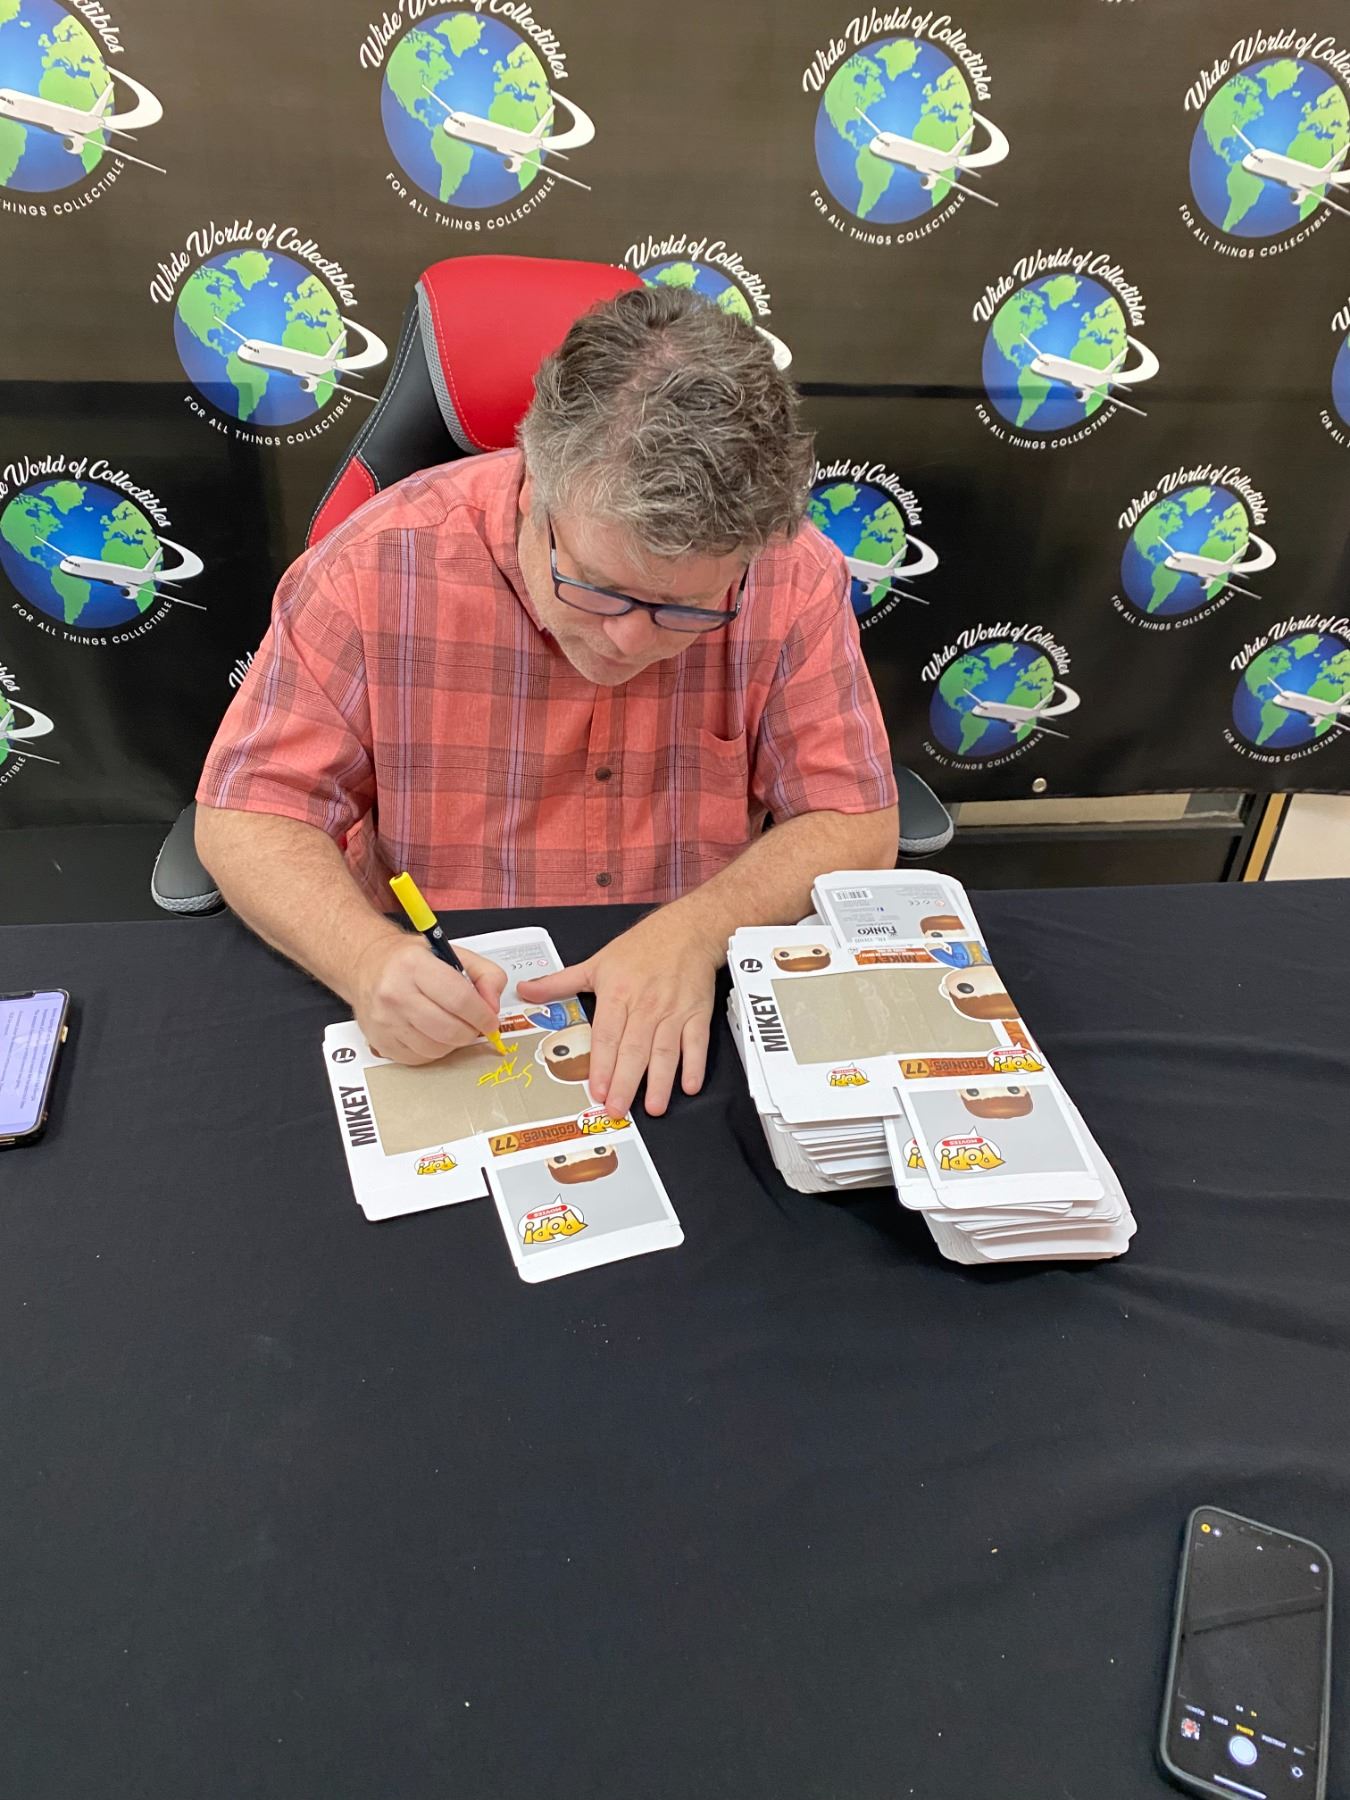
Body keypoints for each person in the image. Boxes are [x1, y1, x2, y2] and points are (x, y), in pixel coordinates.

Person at [195, 285, 898, 1118]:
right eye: (597, 587)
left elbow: (852, 817)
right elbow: (249, 813)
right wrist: (365, 959)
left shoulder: (792, 575)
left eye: (687, 609)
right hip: (449, 999)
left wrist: (698, 930)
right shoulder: (373, 567)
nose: (630, 641)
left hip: (690, 990)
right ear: (535, 488)